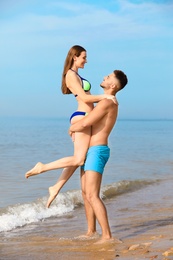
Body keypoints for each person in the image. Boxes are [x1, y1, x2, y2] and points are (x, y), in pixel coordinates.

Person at [25, 45, 116, 200]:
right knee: (79, 159)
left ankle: (56, 187)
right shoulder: (70, 75)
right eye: (83, 57)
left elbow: (87, 96)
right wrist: (105, 97)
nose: (86, 61)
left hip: (86, 116)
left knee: (78, 157)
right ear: (75, 57)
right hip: (81, 116)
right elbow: (85, 98)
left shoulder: (76, 74)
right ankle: (43, 167)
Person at [69, 69, 128, 243]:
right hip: (90, 150)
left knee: (93, 195)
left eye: (108, 77)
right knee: (86, 193)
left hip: (97, 151)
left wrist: (72, 128)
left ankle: (107, 235)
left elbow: (86, 122)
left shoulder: (107, 103)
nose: (104, 77)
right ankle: (90, 231)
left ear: (112, 85)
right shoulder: (105, 101)